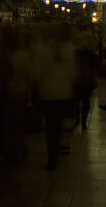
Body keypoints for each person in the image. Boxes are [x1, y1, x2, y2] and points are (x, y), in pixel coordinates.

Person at [33, 26, 77, 170]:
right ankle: (57, 149)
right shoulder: (69, 50)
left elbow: (37, 72)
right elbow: (72, 73)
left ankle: (51, 155)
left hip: (48, 93)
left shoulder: (44, 49)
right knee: (58, 124)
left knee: (50, 125)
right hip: (63, 93)